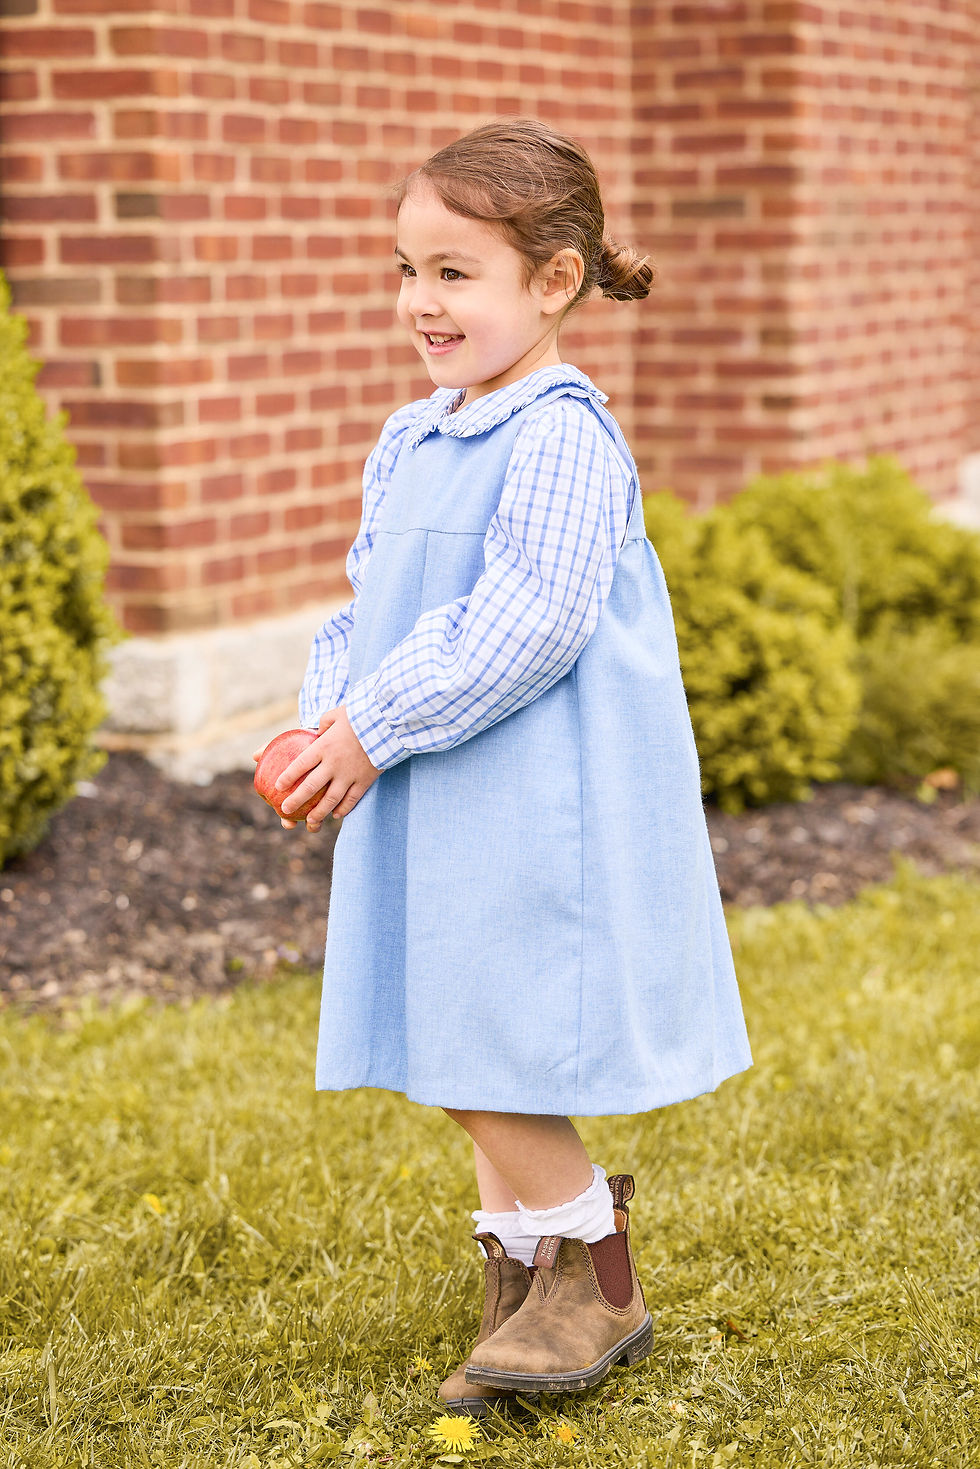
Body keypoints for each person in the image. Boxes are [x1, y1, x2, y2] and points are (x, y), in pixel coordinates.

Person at [254, 117, 752, 1417]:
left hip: (530, 798)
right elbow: (368, 604)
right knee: (457, 1023)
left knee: (487, 1041)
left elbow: (529, 619)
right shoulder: (413, 437)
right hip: (436, 780)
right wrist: (325, 718)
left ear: (554, 280)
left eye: (454, 272)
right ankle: (527, 1276)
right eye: (406, 269)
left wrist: (374, 725)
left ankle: (597, 1267)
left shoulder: (560, 436)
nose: (420, 301)